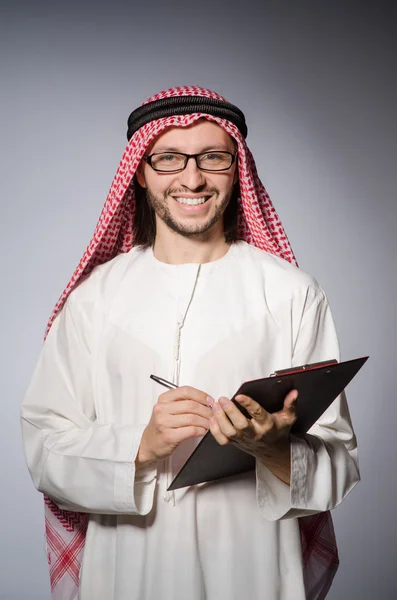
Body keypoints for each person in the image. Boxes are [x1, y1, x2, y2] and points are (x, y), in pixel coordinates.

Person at [21, 86, 360, 600]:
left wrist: (274, 450)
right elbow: (45, 447)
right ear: (140, 170)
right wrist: (140, 445)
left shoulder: (292, 293)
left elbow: (341, 461)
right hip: (127, 575)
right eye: (170, 159)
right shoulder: (94, 301)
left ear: (237, 167)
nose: (193, 177)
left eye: (213, 157)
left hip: (254, 573)